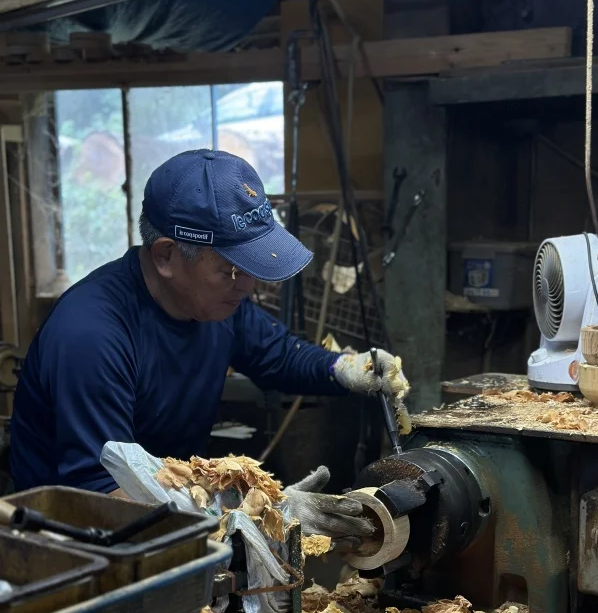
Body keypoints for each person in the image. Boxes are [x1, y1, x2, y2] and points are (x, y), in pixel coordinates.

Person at [10, 150, 407, 539]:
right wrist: (261, 516)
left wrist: (344, 369)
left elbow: (277, 354)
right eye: (231, 269)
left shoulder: (214, 303)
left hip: (172, 513)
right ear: (166, 255)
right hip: (74, 543)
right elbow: (102, 493)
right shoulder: (91, 336)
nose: (249, 285)